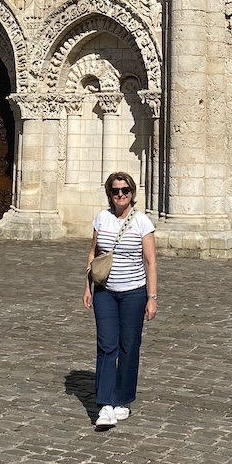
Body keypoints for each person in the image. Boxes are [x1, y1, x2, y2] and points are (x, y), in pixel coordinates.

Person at [83, 171, 157, 428]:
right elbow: (93, 253)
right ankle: (105, 404)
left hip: (134, 293)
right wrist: (87, 287)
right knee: (106, 345)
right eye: (115, 191)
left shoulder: (142, 223)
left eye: (125, 190)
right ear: (109, 194)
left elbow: (151, 262)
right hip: (105, 292)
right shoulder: (101, 219)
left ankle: (123, 398)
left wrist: (152, 297)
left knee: (129, 347)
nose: (120, 195)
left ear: (132, 192)